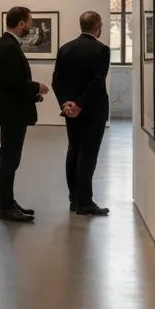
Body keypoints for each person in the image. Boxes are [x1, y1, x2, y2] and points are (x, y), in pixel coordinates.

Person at [0, 6, 49, 223]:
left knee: (9, 158)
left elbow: (12, 84)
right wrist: (37, 87)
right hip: (11, 114)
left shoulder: (7, 44)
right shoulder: (7, 47)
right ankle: (5, 206)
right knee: (9, 158)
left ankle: (8, 202)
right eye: (30, 22)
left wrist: (33, 96)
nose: (32, 26)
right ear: (21, 23)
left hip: (12, 111)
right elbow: (13, 82)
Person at [52, 11, 111, 217]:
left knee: (74, 150)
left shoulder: (65, 49)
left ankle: (74, 199)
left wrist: (66, 104)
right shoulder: (102, 50)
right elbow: (96, 81)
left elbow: (56, 80)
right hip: (93, 111)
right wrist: (80, 104)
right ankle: (84, 202)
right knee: (88, 154)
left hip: (70, 112)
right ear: (97, 27)